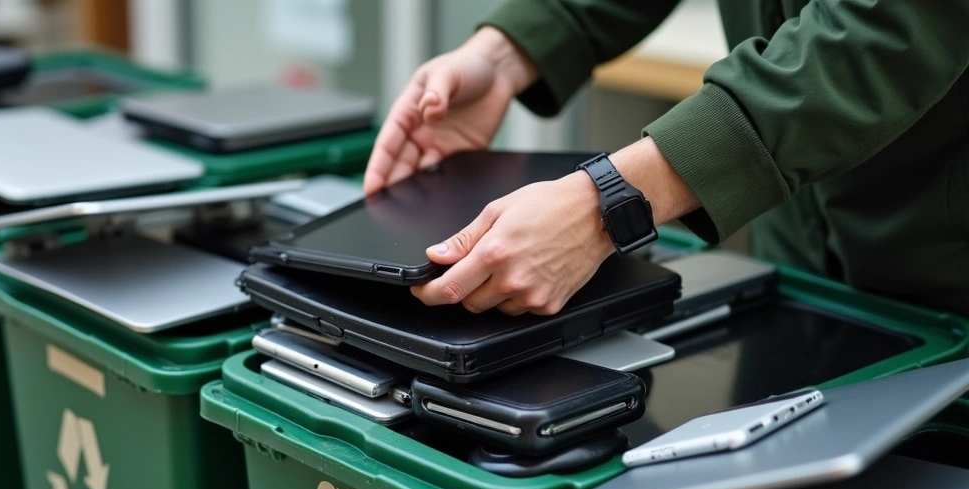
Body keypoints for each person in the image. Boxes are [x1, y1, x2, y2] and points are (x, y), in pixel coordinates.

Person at [364, 1, 969, 317]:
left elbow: (889, 26)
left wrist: (606, 204)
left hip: (946, 279)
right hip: (799, 256)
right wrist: (507, 53)